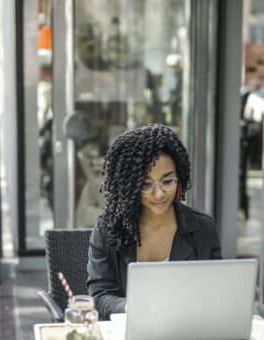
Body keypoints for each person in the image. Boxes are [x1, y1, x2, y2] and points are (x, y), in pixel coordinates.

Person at [87, 123, 222, 320]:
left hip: (189, 330)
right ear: (130, 186)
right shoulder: (108, 228)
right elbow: (100, 297)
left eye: (167, 182)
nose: (158, 194)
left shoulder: (203, 228)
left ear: (180, 179)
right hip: (130, 335)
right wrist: (131, 307)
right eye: (145, 184)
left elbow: (217, 293)